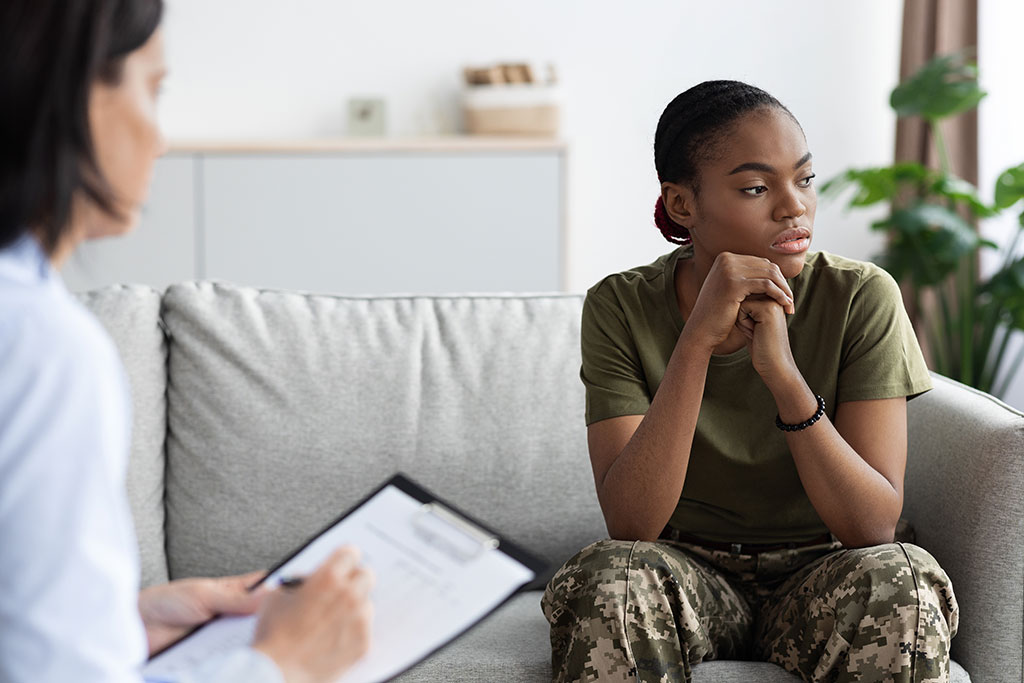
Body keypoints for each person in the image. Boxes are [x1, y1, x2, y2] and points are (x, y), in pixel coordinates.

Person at [0, 1, 373, 681]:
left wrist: (126, 621)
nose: (160, 138)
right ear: (68, 94)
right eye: (153, 88)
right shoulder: (40, 348)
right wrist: (283, 663)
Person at [541, 81, 959, 682]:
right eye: (757, 188)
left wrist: (783, 375)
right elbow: (631, 524)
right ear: (683, 204)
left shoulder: (861, 296)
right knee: (612, 575)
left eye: (805, 179)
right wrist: (696, 345)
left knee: (903, 578)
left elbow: (871, 527)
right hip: (686, 570)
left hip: (823, 570)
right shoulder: (620, 306)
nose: (794, 207)